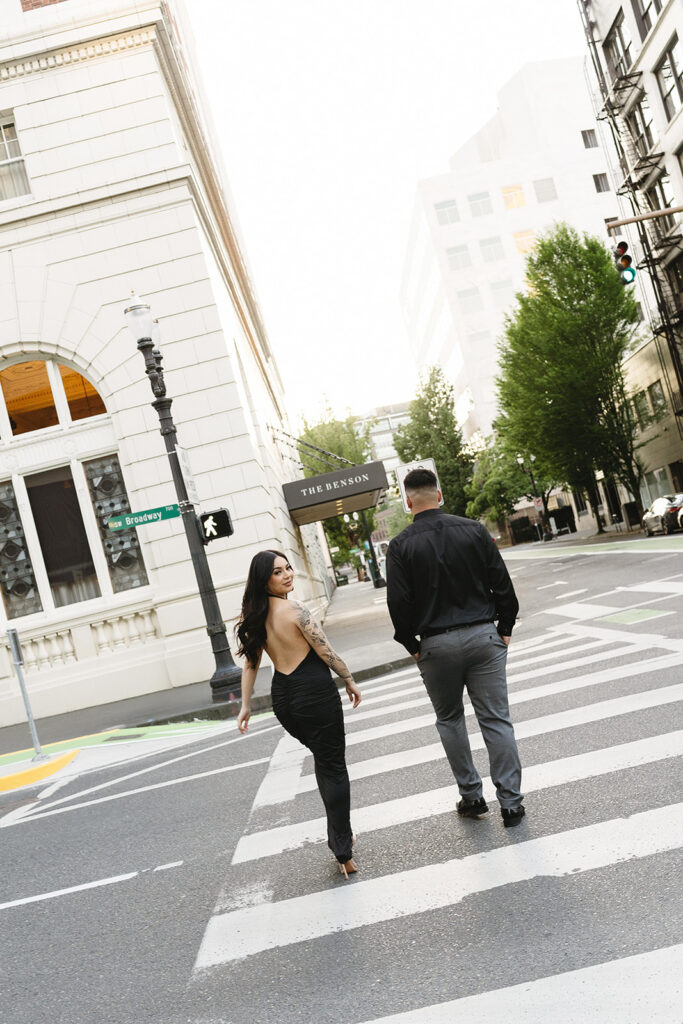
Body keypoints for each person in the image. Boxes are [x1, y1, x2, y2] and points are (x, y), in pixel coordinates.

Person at [386, 468, 525, 827]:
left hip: (435, 644)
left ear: (407, 500)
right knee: (496, 719)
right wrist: (503, 629)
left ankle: (472, 796)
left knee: (449, 720)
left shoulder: (400, 546)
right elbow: (503, 586)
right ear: (440, 494)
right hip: (483, 637)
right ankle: (510, 804)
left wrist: (414, 647)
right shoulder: (475, 530)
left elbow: (398, 607)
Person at [236, 550, 362, 876]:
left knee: (324, 760)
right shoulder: (295, 610)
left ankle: (339, 840)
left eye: (288, 568)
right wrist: (348, 678)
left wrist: (246, 706)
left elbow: (251, 664)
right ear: (265, 578)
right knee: (334, 767)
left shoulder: (256, 616)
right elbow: (325, 649)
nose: (288, 574)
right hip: (315, 695)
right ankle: (343, 851)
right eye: (278, 572)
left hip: (285, 702)